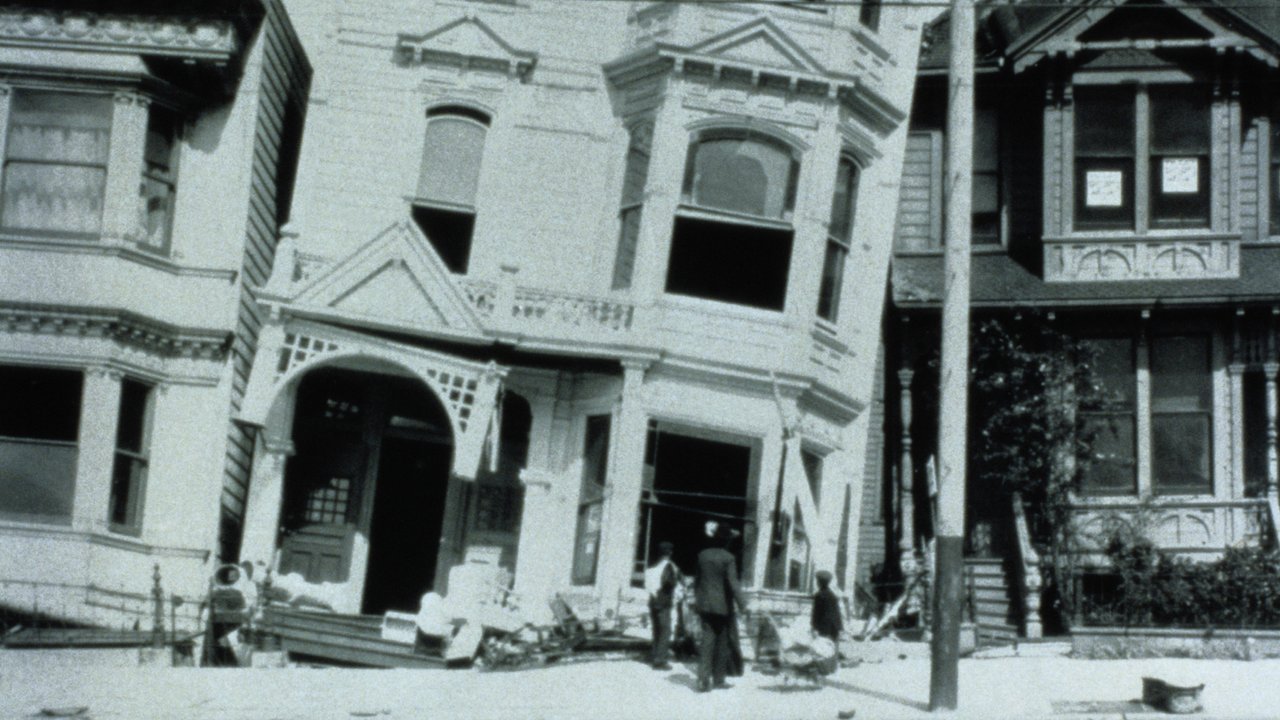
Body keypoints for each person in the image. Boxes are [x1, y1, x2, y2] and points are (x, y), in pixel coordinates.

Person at [693, 523, 748, 692]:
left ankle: (703, 680)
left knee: (707, 641)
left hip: (704, 605)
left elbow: (697, 581)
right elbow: (733, 583)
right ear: (726, 541)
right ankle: (718, 679)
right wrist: (743, 605)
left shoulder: (702, 555)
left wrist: (698, 601)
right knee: (723, 643)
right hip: (722, 607)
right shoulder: (728, 558)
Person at [644, 541, 680, 670]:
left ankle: (654, 655)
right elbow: (669, 582)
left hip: (652, 601)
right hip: (663, 601)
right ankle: (660, 660)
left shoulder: (652, 566)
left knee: (656, 629)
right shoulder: (669, 566)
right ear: (670, 552)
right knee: (666, 630)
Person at [811, 569, 843, 659]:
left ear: (819, 582)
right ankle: (832, 665)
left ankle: (825, 667)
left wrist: (814, 626)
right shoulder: (832, 595)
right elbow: (837, 612)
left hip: (824, 626)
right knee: (833, 647)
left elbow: (816, 613)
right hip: (834, 626)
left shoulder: (819, 595)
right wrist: (840, 627)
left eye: (817, 581)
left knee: (824, 649)